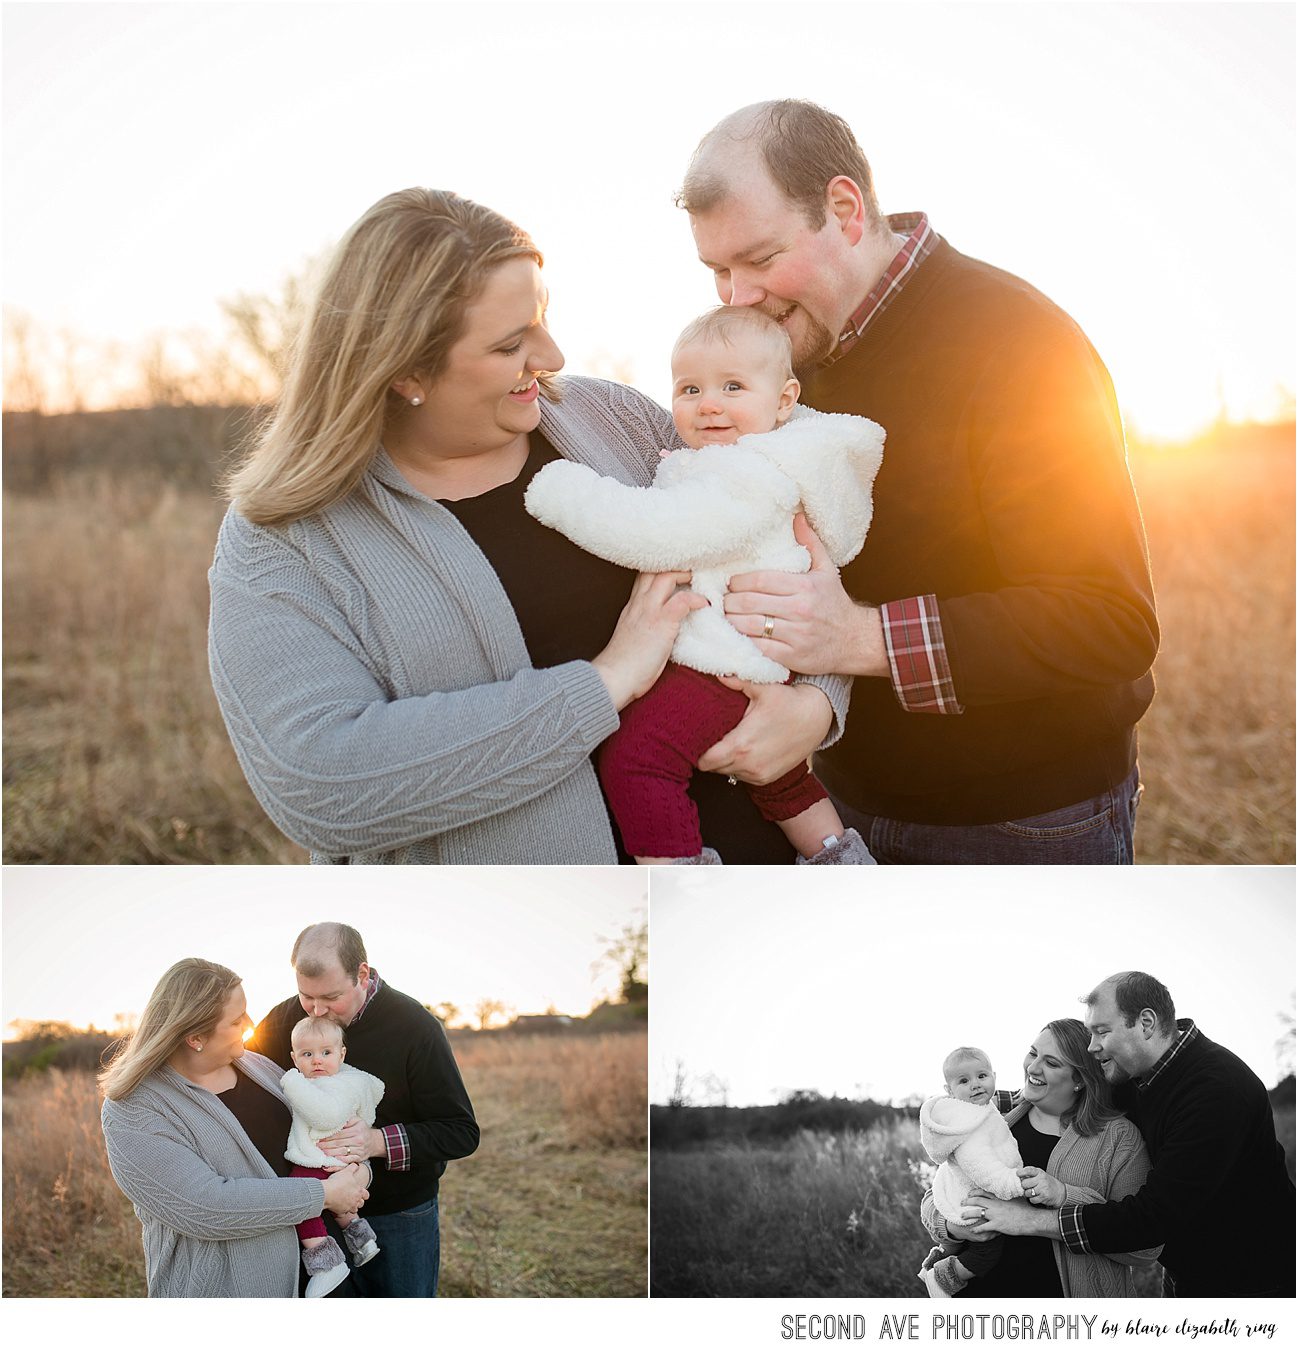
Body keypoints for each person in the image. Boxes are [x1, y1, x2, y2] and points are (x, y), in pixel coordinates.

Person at [209, 187, 849, 865]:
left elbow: (800, 540)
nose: (552, 353)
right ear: (406, 372)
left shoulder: (617, 422)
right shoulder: (284, 539)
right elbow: (322, 787)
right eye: (512, 342)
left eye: (542, 318)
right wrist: (606, 683)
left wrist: (817, 704)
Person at [678, 100, 1159, 863]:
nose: (737, 297)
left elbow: (1108, 622)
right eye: (717, 270)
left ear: (843, 208)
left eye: (761, 260)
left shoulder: (1020, 343)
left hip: (1021, 821)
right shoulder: (778, 361)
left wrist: (858, 637)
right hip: (835, 802)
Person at [525, 305, 880, 865]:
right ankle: (841, 859)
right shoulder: (731, 458)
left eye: (733, 386)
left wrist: (565, 494)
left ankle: (679, 879)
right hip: (743, 654)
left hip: (725, 658)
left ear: (784, 400)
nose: (708, 403)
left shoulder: (748, 474)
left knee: (637, 760)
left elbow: (658, 532)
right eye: (689, 388)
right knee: (781, 782)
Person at [966, 973, 1297, 1297]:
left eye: (1101, 1032)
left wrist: (1027, 1220)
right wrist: (977, 1104)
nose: (1092, 1047)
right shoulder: (1135, 1073)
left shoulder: (1216, 1093)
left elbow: (1150, 1219)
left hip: (1251, 1277)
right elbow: (1069, 1093)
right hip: (1189, 1266)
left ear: (1146, 1024)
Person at [100, 959, 371, 1298]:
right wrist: (325, 1195)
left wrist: (358, 1171)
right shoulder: (134, 1109)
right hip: (233, 1287)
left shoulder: (257, 1067)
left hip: (323, 1270)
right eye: (236, 1019)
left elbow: (319, 1130)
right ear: (195, 1036)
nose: (250, 1023)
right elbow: (204, 1206)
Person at [245, 923, 478, 1298]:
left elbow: (460, 1131)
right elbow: (249, 1087)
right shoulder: (281, 1020)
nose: (317, 1010)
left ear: (363, 975)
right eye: (306, 996)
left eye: (331, 997)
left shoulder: (415, 1027)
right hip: (313, 1217)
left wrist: (375, 1141)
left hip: (399, 1214)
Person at [920, 1019, 1160, 1298]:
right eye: (1033, 1053)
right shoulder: (995, 1118)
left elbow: (1145, 1248)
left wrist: (1061, 1198)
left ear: (1080, 1080)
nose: (1033, 1068)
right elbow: (938, 1192)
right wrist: (955, 1228)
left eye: (1052, 1063)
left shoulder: (1119, 1139)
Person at [281, 1015, 385, 1297]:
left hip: (321, 1159)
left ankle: (325, 1262)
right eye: (307, 1054)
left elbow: (325, 1116)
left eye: (326, 1053)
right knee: (344, 1208)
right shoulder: (346, 1081)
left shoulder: (332, 1085)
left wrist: (291, 1082)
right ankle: (363, 1241)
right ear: (294, 1057)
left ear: (342, 1054)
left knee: (302, 1197)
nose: (317, 1060)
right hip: (341, 1161)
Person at [916, 1047, 1024, 1297]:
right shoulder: (968, 1124)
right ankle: (942, 1278)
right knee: (986, 1251)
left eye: (982, 1076)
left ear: (994, 1076)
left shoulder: (979, 1108)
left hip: (966, 1196)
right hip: (976, 1200)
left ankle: (937, 1258)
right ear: (949, 1091)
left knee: (958, 1244)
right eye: (964, 1081)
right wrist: (1016, 1184)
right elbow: (983, 1168)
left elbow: (1015, 1099)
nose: (976, 1085)